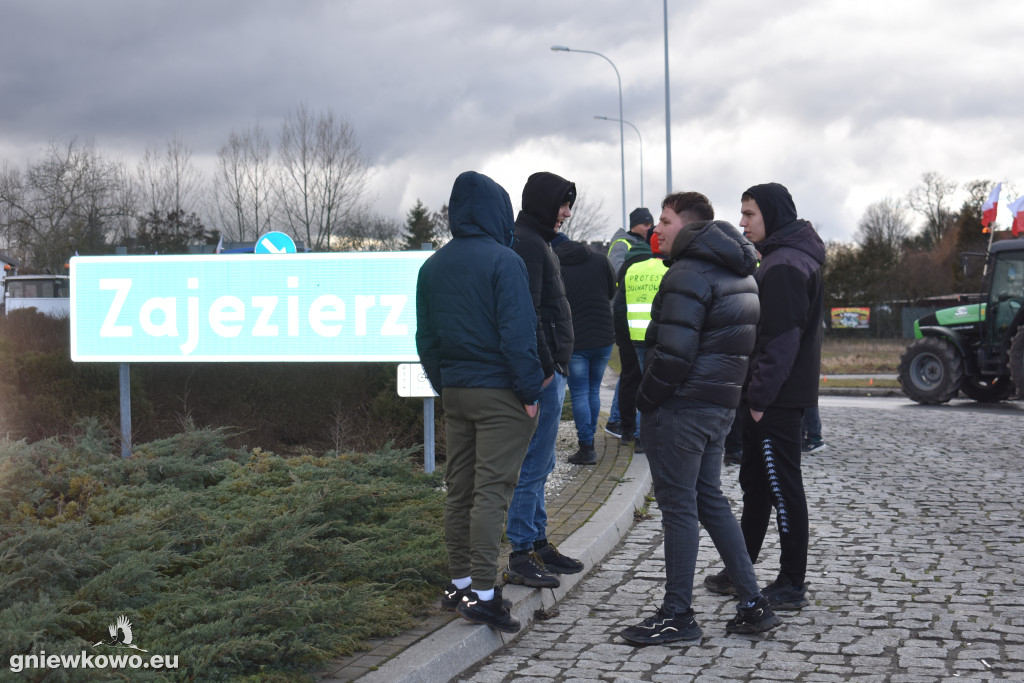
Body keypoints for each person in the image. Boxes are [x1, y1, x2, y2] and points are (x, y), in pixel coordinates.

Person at [619, 191, 781, 646]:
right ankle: (752, 604)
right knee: (709, 499)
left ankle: (678, 615)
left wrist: (645, 400)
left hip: (683, 409)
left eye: (666, 221)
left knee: (679, 509)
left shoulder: (687, 273)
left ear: (688, 225)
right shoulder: (740, 271)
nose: (657, 230)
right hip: (719, 408)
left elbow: (672, 355)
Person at [415, 171, 544, 634]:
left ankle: (460, 583)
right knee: (492, 492)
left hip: (457, 392)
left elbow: (425, 339)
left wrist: (443, 384)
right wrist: (530, 394)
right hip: (500, 394)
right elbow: (518, 335)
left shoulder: (432, 266)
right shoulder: (505, 261)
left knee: (460, 490)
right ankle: (486, 597)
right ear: (498, 211)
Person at [704, 182, 825, 611]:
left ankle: (792, 581)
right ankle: (742, 570)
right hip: (764, 396)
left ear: (771, 215)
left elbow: (782, 340)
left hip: (774, 399)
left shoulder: (786, 264)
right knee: (756, 486)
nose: (741, 222)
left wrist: (758, 397)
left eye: (749, 213)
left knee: (782, 486)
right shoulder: (777, 258)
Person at [503, 171, 584, 589]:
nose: (567, 212)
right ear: (542, 202)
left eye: (570, 204)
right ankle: (520, 553)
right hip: (545, 375)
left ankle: (538, 542)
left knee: (545, 460)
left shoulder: (538, 242)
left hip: (552, 371)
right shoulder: (529, 244)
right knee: (534, 463)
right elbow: (529, 313)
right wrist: (548, 368)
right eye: (563, 203)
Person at [555, 237, 616, 466]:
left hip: (577, 339)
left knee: (579, 392)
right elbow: (611, 291)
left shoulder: (557, 268)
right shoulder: (600, 260)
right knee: (593, 391)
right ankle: (590, 439)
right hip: (603, 336)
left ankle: (587, 446)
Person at [611, 226, 665, 455]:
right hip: (659, 337)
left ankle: (630, 432)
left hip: (634, 337)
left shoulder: (633, 269)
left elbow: (619, 307)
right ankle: (646, 436)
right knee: (653, 387)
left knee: (634, 382)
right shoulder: (668, 269)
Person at [604, 207, 656, 438]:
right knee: (632, 374)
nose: (649, 228)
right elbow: (615, 274)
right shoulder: (623, 244)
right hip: (626, 314)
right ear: (635, 225)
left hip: (633, 315)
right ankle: (622, 423)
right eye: (645, 224)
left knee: (631, 373)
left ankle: (618, 420)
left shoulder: (641, 246)